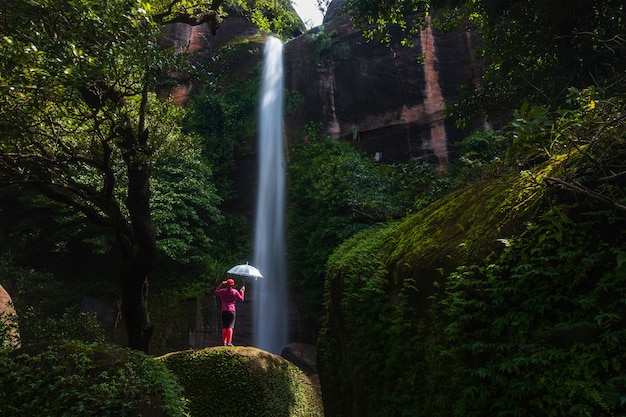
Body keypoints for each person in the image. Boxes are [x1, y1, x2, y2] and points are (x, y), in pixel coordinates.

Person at [214, 278, 245, 346]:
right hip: (231, 310)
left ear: (226, 284)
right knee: (230, 327)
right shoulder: (235, 292)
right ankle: (229, 342)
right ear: (233, 285)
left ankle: (224, 342)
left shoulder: (223, 291)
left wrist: (222, 284)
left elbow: (216, 291)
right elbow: (241, 299)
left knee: (225, 327)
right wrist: (242, 291)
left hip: (224, 310)